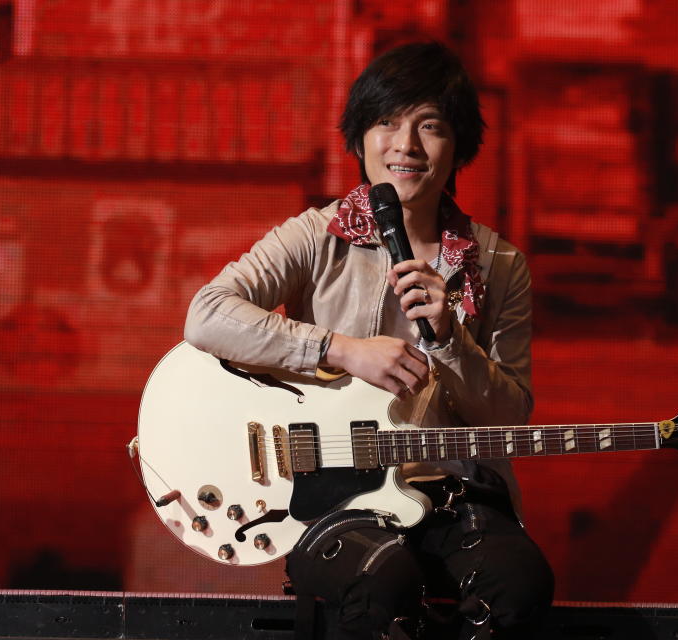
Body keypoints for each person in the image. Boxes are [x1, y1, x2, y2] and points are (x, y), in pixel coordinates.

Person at [185, 41, 553, 639]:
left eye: (429, 126)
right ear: (360, 140)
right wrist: (341, 349)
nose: (405, 145)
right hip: (331, 493)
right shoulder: (313, 236)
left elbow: (509, 413)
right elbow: (206, 315)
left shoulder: (499, 263)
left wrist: (451, 341)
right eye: (387, 122)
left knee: (519, 584)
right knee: (383, 579)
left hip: (452, 491)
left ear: (458, 145)